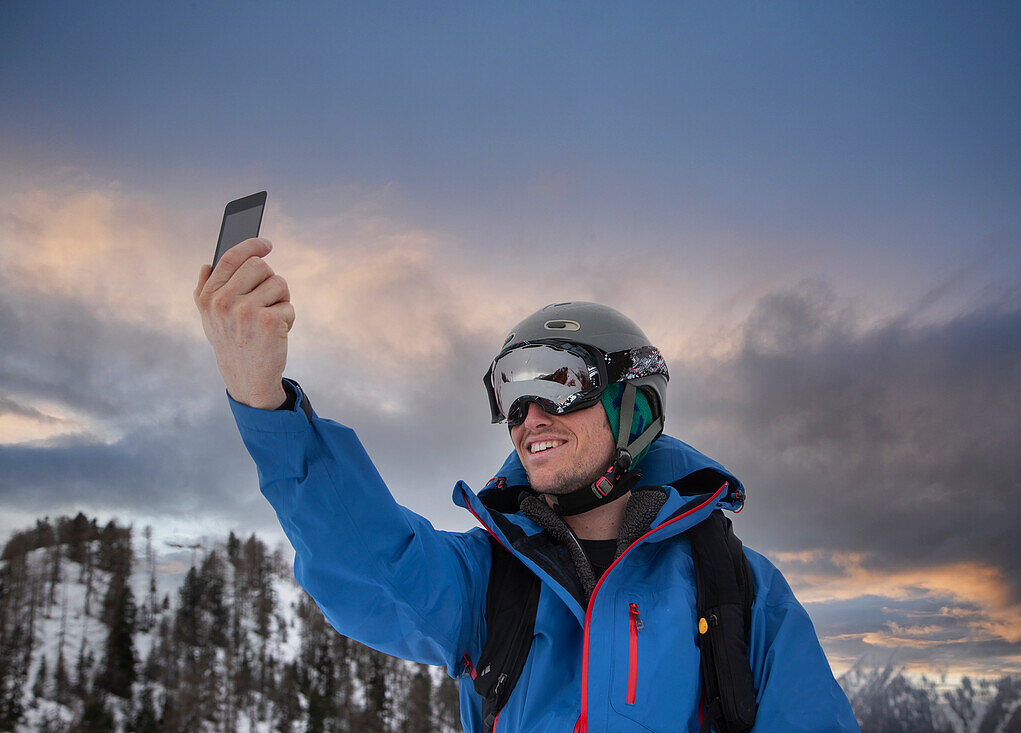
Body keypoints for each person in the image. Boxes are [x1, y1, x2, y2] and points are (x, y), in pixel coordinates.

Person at [194, 238, 860, 732]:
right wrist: (261, 398)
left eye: (559, 383)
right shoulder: (490, 578)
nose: (529, 416)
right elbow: (366, 566)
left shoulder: (740, 588)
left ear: (635, 404)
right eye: (511, 394)